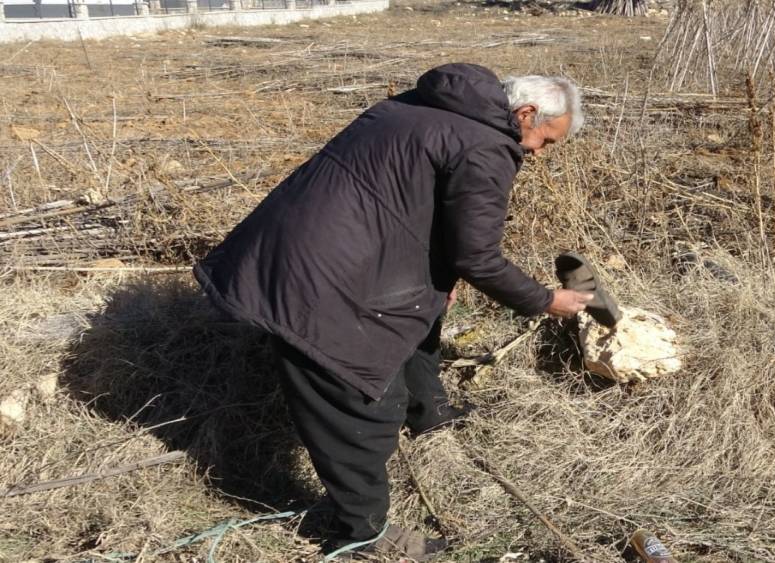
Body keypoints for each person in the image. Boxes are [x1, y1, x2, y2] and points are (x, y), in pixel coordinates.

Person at [194, 62, 591, 560]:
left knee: (423, 309)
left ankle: (430, 413)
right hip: (324, 277)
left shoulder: (421, 105)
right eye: (545, 141)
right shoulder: (486, 145)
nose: (537, 153)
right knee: (357, 400)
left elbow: (414, 204)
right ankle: (361, 534)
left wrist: (440, 278)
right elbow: (478, 258)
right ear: (527, 113)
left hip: (291, 243)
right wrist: (545, 300)